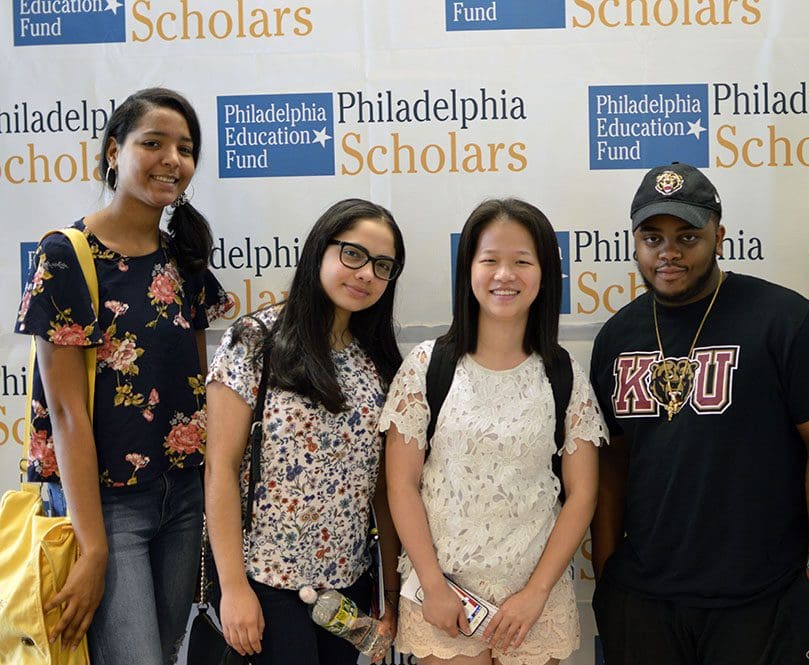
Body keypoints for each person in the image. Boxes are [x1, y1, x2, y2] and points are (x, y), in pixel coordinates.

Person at [588, 163, 809, 665]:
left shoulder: (784, 321)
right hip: (645, 602)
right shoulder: (617, 337)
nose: (668, 252)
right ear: (635, 242)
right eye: (652, 237)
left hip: (764, 598)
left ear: (719, 236)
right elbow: (610, 464)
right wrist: (607, 574)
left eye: (687, 236)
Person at [14, 87, 233, 663]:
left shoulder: (182, 259)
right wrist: (92, 548)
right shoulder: (67, 254)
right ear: (115, 151)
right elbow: (65, 413)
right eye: (153, 143)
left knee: (160, 653)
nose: (173, 160)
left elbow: (197, 390)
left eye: (185, 149)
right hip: (106, 506)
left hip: (183, 496)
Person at [382, 198, 606, 665]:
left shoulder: (563, 375)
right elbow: (401, 485)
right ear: (468, 270)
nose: (505, 275)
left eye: (522, 261)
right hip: (445, 598)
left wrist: (536, 593)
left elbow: (582, 494)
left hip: (534, 602)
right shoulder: (427, 367)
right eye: (490, 261)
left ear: (544, 275)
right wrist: (432, 583)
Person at [205, 198, 405, 664]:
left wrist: (389, 592)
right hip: (266, 584)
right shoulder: (255, 341)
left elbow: (383, 489)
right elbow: (220, 467)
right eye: (352, 254)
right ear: (320, 250)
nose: (365, 274)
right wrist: (233, 587)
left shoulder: (377, 362)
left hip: (347, 590)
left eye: (382, 265)